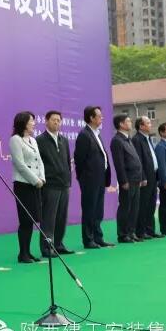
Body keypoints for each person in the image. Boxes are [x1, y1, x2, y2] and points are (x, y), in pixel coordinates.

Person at [74, 106, 114, 249]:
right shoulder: (84, 135)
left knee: (98, 210)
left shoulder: (96, 134)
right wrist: (84, 178)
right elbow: (79, 159)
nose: (102, 118)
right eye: (99, 116)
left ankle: (98, 237)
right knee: (89, 210)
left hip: (100, 178)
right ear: (91, 118)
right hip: (89, 179)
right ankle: (88, 239)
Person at [36, 111, 73, 257]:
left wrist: (68, 181)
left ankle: (58, 244)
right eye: (53, 120)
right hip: (50, 185)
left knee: (61, 217)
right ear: (46, 121)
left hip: (64, 184)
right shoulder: (40, 140)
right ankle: (47, 248)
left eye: (58, 120)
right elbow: (38, 163)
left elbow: (68, 162)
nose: (56, 122)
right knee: (49, 218)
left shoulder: (64, 140)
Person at [9, 111, 45, 263]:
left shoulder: (33, 140)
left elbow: (39, 161)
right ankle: (22, 253)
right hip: (23, 184)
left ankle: (28, 252)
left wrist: (42, 178)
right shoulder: (15, 140)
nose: (34, 123)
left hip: (36, 184)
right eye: (31, 120)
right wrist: (35, 180)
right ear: (23, 122)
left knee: (31, 220)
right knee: (25, 220)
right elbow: (20, 164)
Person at [110, 115, 145, 243]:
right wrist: (123, 180)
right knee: (126, 207)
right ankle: (123, 234)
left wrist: (141, 177)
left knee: (134, 208)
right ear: (121, 124)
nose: (130, 123)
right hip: (128, 180)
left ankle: (131, 232)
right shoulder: (117, 140)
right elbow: (119, 163)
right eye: (128, 121)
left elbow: (136, 160)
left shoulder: (128, 139)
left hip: (136, 178)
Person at [131, 116, 163, 239]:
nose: (151, 124)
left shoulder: (148, 138)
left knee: (151, 205)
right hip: (145, 178)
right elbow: (139, 160)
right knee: (143, 205)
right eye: (148, 123)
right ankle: (141, 231)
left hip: (153, 176)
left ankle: (150, 230)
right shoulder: (137, 140)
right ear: (141, 126)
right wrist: (142, 177)